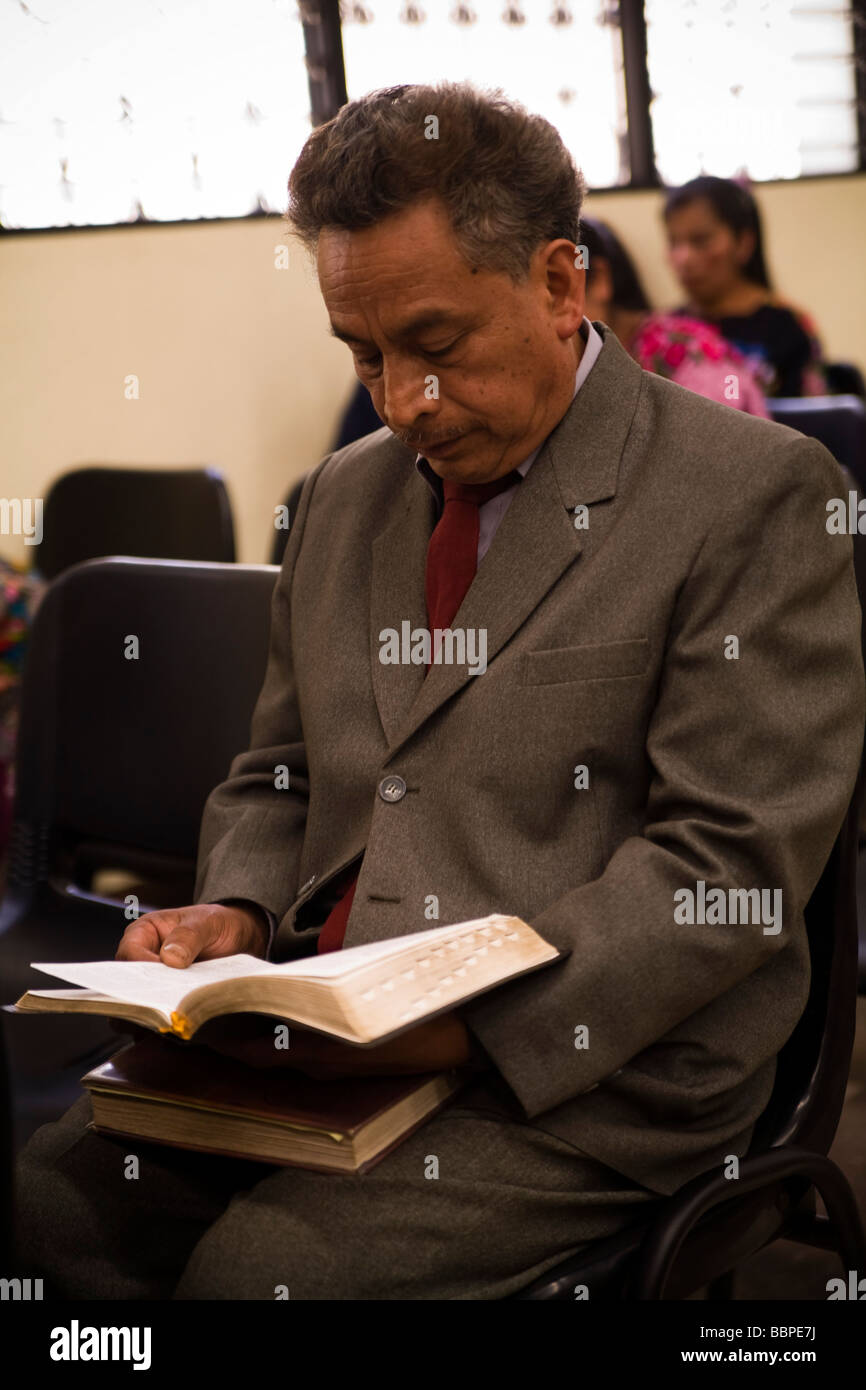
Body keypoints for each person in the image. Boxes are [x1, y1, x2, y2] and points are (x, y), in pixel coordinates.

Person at [13, 82, 864, 1301]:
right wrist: (242, 913)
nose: (398, 400)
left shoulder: (749, 497)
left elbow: (721, 867)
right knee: (48, 1206)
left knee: (263, 1277)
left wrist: (458, 1023)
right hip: (324, 1031)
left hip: (591, 1066)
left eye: (436, 345)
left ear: (560, 286)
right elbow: (277, 773)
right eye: (362, 355)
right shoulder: (340, 500)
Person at [579, 216, 770, 416]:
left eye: (557, 287)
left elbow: (723, 439)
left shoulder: (689, 354)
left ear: (600, 280)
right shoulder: (589, 365)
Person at [663, 175, 826, 397]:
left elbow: (813, 422)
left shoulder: (789, 326)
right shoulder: (667, 332)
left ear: (743, 243)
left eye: (700, 240)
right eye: (674, 242)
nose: (683, 258)